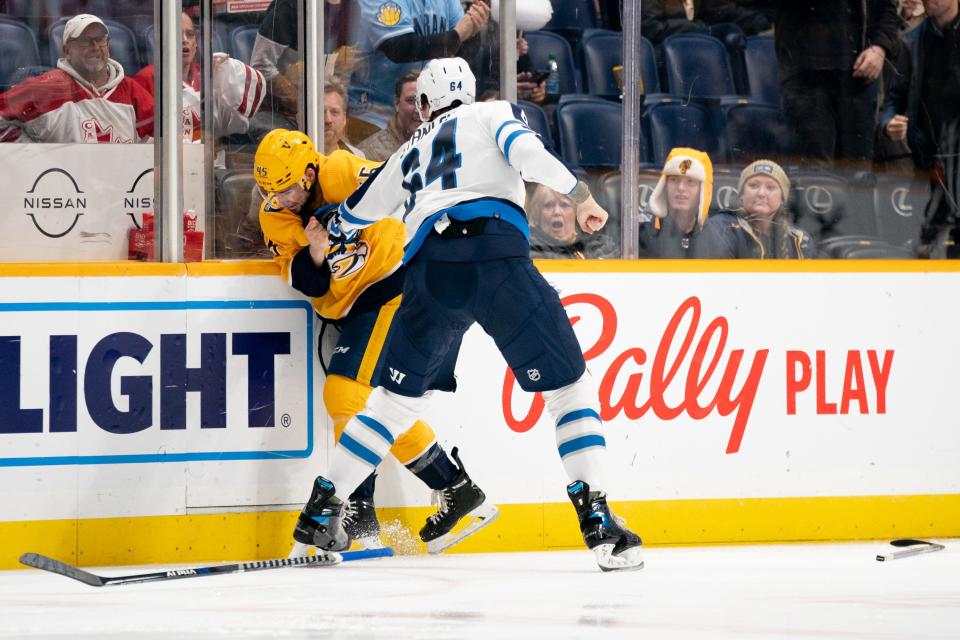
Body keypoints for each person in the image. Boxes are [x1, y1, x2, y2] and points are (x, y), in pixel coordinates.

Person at [297, 57, 643, 572]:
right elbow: (527, 152)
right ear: (471, 92)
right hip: (494, 255)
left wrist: (329, 226)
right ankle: (598, 521)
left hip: (429, 275)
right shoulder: (489, 113)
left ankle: (321, 509)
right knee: (568, 390)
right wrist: (580, 194)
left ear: (422, 104)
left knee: (392, 403)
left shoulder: (410, 146)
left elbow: (359, 211)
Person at [254, 128, 497, 553]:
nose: (284, 199)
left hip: (394, 286)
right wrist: (315, 249)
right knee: (376, 406)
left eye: (289, 188)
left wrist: (347, 212)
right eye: (272, 192)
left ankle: (357, 510)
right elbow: (307, 282)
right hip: (355, 310)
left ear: (310, 172)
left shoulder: (340, 170)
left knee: (345, 393)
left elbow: (398, 182)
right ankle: (457, 491)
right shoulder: (274, 215)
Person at [756, 1, 900, 169]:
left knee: (858, 174)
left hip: (858, 75)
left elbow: (887, 9)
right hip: (806, 75)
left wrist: (880, 48)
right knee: (817, 175)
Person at [880, 0, 960, 256]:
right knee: (928, 241)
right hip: (929, 161)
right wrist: (888, 123)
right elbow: (893, 100)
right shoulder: (912, 42)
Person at [0, 13, 154, 143]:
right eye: (85, 41)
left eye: (100, 39)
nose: (95, 46)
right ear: (67, 51)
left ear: (108, 45)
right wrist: (32, 154)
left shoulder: (130, 90)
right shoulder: (46, 88)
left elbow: (168, 134)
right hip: (63, 178)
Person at [132, 11, 265, 143]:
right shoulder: (146, 80)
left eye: (190, 35)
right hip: (174, 164)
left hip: (213, 163)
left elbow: (237, 124)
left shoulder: (210, 76)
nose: (184, 40)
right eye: (177, 34)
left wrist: (228, 74)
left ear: (195, 44)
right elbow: (145, 142)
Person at [696, 160, 816, 259]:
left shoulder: (800, 240)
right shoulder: (720, 229)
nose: (761, 193)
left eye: (770, 187)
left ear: (782, 199)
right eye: (754, 185)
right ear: (742, 195)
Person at [639, 147, 714, 259]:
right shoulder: (643, 234)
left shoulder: (717, 236)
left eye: (690, 182)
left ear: (703, 192)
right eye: (674, 180)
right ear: (664, 186)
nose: (681, 188)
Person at [528, 185, 617, 259]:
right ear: (538, 212)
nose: (557, 212)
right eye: (548, 206)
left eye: (564, 205)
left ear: (578, 212)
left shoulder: (597, 244)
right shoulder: (529, 247)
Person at [357, 71, 421, 161]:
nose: (418, 109)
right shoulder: (369, 154)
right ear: (397, 104)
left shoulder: (437, 146)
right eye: (411, 100)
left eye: (424, 100)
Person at [324, 80, 364, 156]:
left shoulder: (357, 157)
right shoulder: (296, 157)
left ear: (344, 119)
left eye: (334, 112)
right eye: (321, 112)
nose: (328, 120)